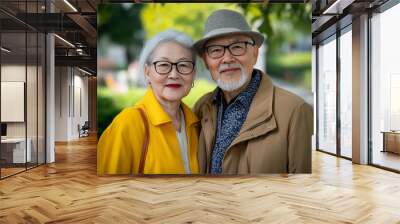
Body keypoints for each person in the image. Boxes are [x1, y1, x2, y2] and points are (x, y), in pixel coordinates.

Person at [193, 9, 313, 174]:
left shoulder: (296, 111)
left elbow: (303, 189)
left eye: (237, 47)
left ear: (255, 53)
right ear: (206, 62)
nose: (227, 58)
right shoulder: (200, 108)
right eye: (215, 50)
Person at [98, 29, 200, 175]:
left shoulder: (196, 124)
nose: (174, 74)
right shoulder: (127, 125)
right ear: (147, 72)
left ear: (194, 73)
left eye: (183, 65)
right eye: (163, 65)